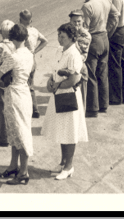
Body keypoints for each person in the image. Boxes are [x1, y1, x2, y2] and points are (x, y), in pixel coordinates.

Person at [43, 23, 89, 181]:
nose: (59, 39)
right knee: (62, 131)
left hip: (68, 96)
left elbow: (75, 79)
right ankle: (63, 163)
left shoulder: (73, 54)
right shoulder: (59, 50)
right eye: (58, 36)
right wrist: (50, 81)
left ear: (72, 38)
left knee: (69, 133)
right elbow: (55, 71)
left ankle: (69, 166)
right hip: (58, 94)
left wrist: (57, 85)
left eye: (63, 37)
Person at [0, 24, 34, 186]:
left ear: (12, 38)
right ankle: (13, 166)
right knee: (16, 132)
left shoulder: (13, 57)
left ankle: (23, 173)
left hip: (14, 96)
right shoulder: (29, 54)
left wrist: (4, 81)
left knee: (19, 134)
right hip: (24, 92)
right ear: (25, 38)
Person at [80, 0, 116, 118]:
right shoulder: (106, 0)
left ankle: (92, 107)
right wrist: (109, 31)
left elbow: (84, 29)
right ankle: (103, 104)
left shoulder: (87, 6)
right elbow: (115, 15)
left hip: (93, 40)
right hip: (104, 37)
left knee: (91, 74)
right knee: (102, 73)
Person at [18, 10, 47, 119]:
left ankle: (30, 109)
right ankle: (34, 109)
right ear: (31, 20)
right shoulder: (34, 31)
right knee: (30, 85)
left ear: (20, 20)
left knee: (23, 85)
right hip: (32, 59)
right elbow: (45, 41)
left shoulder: (20, 31)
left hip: (23, 60)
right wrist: (35, 50)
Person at [66, 10, 92, 107]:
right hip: (69, 69)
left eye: (79, 21)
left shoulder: (85, 35)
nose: (76, 24)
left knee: (80, 102)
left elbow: (80, 54)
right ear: (70, 21)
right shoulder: (69, 32)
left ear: (83, 21)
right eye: (74, 21)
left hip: (79, 70)